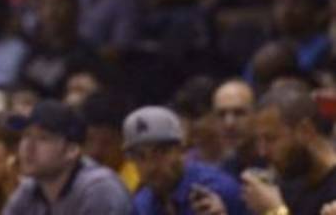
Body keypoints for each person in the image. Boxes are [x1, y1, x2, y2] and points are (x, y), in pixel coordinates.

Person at [3, 99, 133, 214]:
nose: (28, 147)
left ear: (71, 150)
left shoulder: (100, 189)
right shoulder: (30, 188)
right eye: (26, 135)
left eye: (43, 138)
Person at [124, 105, 247, 215]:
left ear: (181, 150)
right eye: (140, 156)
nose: (151, 166)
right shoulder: (141, 205)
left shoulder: (220, 190)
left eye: (161, 153)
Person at [243, 85, 336, 215]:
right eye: (258, 141)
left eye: (271, 139)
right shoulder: (289, 185)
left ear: (305, 131)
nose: (262, 152)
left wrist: (276, 211)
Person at [212, 79, 262, 176]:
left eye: (239, 113)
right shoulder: (223, 169)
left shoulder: (277, 166)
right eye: (221, 114)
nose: (229, 124)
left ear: (257, 115)